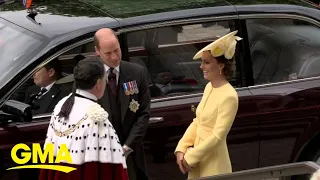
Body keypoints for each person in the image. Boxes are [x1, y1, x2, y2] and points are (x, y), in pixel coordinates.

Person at [38, 57, 128, 180]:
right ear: (98, 83)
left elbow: (49, 157)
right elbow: (111, 169)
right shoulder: (97, 117)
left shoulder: (62, 104)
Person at [174, 30, 242, 179]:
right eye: (202, 62)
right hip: (199, 158)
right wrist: (182, 147)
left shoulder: (229, 96)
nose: (201, 66)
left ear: (221, 66)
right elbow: (198, 122)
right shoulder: (209, 87)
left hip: (214, 163)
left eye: (207, 62)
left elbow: (218, 136)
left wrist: (190, 157)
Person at [94, 28, 151, 180]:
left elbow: (143, 113)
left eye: (116, 50)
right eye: (108, 53)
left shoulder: (137, 72)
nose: (114, 57)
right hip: (101, 154)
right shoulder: (89, 75)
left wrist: (126, 147)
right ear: (97, 51)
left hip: (130, 153)